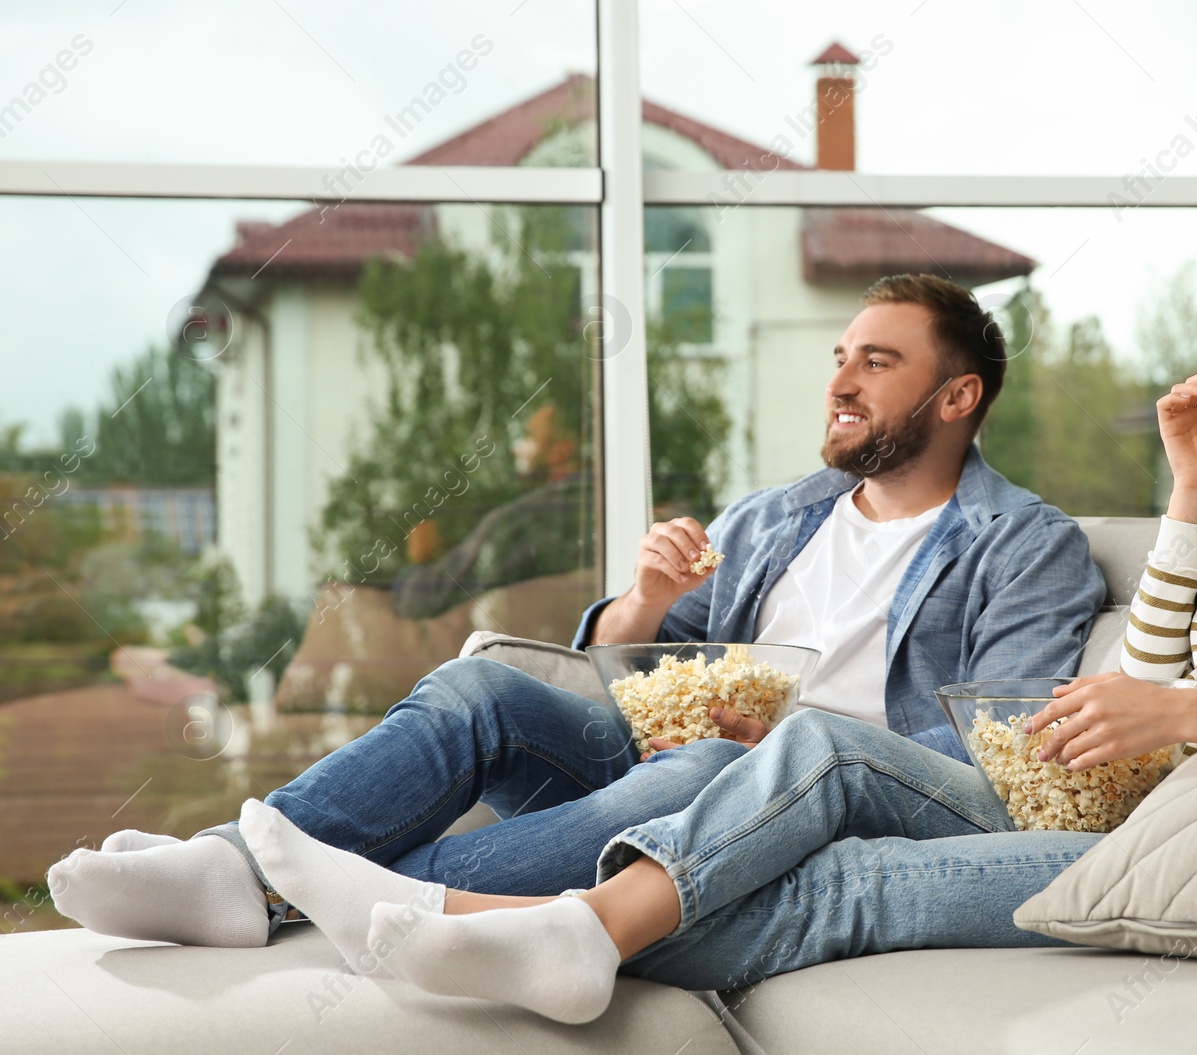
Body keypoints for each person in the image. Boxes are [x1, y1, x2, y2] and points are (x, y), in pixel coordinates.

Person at [235, 202, 1197, 1025]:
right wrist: (1192, 502)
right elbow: (1150, 671)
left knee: (826, 775)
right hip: (1130, 800)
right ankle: (500, 925)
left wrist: (1188, 707)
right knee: (777, 816)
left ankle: (464, 914)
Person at [48, 274, 1105, 971]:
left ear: (958, 394)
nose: (840, 379)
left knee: (710, 768)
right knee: (482, 693)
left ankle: (301, 889)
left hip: (827, 796)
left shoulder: (1027, 542)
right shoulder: (776, 516)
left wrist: (769, 745)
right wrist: (645, 598)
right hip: (679, 761)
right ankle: (237, 866)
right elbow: (628, 660)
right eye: (840, 355)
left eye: (877, 362)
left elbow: (993, 749)